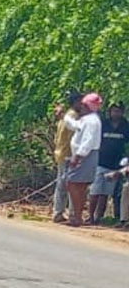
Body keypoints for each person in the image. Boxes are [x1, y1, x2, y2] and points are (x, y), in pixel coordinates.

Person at [64, 92, 104, 228]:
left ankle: (77, 216)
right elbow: (74, 125)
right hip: (85, 155)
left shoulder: (92, 121)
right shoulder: (86, 119)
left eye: (83, 104)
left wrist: (78, 156)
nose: (81, 106)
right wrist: (64, 117)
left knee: (72, 184)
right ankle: (77, 215)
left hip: (86, 155)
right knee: (79, 186)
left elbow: (87, 141)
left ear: (87, 106)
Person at [89, 102, 127, 224]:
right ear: (109, 112)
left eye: (118, 111)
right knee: (95, 191)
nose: (116, 113)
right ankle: (90, 216)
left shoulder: (125, 126)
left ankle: (98, 217)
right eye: (114, 111)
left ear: (122, 112)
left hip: (116, 165)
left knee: (105, 193)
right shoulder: (103, 124)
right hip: (100, 162)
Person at [52, 91, 83, 223]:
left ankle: (58, 212)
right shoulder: (73, 117)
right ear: (75, 102)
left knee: (62, 185)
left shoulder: (65, 117)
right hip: (68, 155)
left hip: (61, 153)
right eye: (80, 102)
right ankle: (71, 214)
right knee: (71, 185)